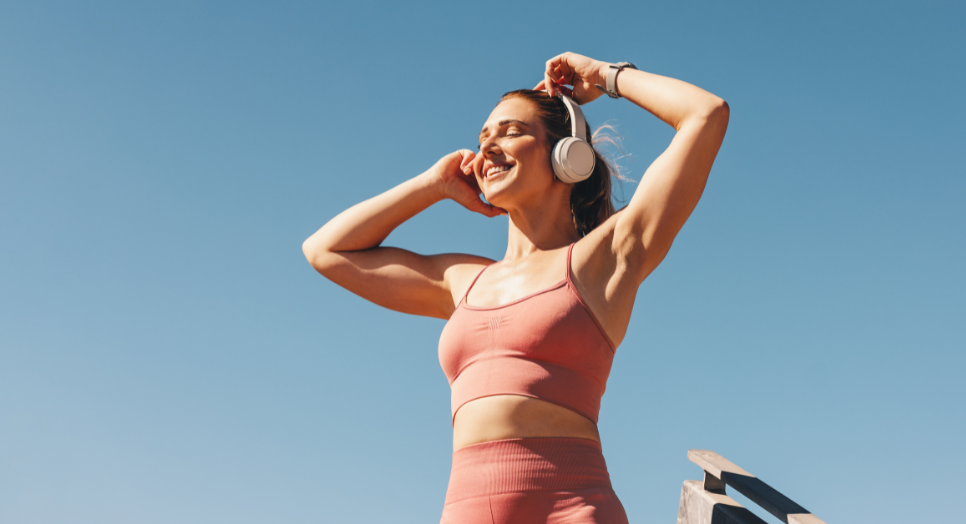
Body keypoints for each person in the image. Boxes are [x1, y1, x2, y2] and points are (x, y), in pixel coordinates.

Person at [302, 52, 729, 524]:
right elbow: (326, 251)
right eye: (483, 137)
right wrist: (433, 184)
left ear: (567, 157)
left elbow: (705, 114)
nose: (488, 148)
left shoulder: (600, 260)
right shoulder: (462, 281)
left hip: (573, 509)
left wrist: (603, 76)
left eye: (510, 131)